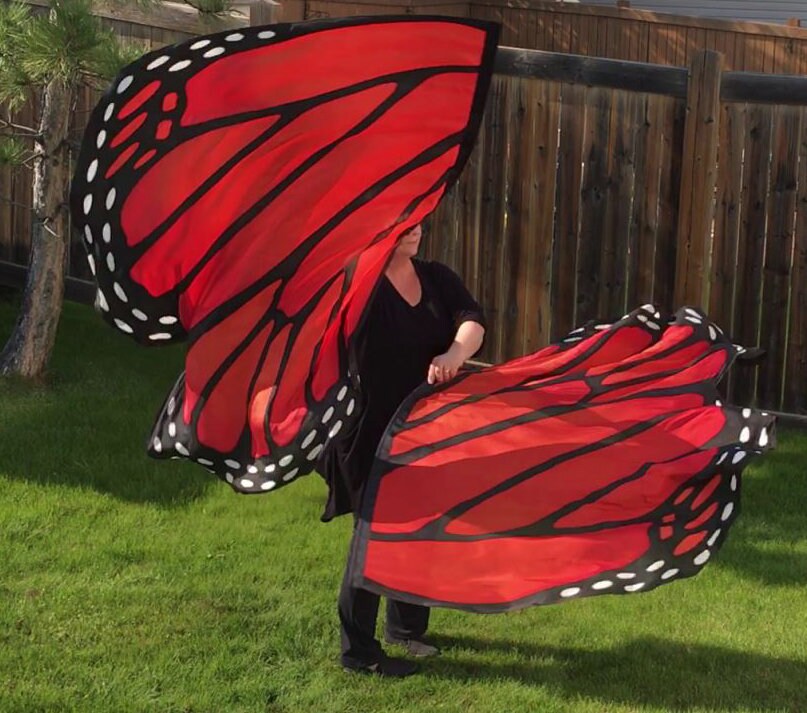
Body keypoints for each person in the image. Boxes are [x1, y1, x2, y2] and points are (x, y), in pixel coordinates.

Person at [319, 223, 486, 677]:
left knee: (421, 530)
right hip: (368, 430)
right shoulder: (357, 283)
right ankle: (358, 651)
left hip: (424, 430)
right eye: (404, 221)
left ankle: (406, 630)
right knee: (373, 539)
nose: (415, 229)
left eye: (419, 220)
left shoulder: (435, 278)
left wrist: (454, 354)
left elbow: (473, 320)